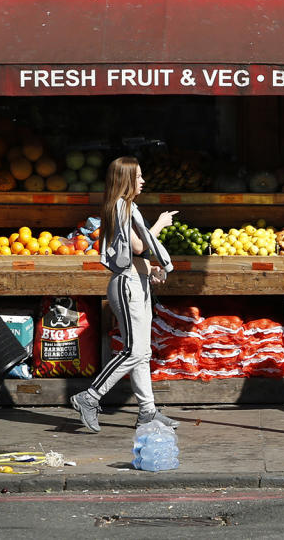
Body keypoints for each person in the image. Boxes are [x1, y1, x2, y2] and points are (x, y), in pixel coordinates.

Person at [69, 156, 178, 433]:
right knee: (133, 350)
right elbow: (140, 245)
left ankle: (147, 411)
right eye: (138, 176)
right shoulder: (123, 207)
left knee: (142, 353)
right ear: (126, 179)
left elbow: (129, 256)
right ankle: (89, 397)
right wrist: (160, 225)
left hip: (135, 281)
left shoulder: (122, 207)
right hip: (126, 286)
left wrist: (149, 270)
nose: (143, 181)